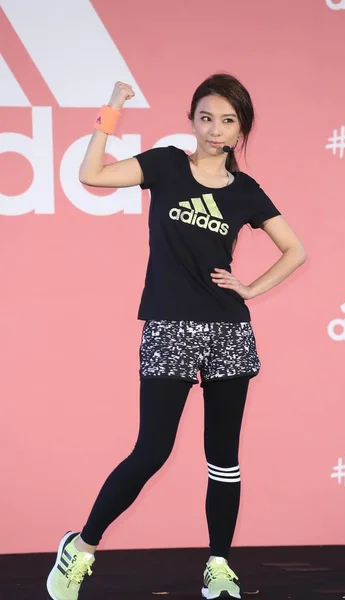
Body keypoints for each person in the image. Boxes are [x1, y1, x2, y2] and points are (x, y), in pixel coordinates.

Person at [46, 73, 306, 600]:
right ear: (191, 120)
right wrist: (111, 111)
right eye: (206, 117)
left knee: (224, 457)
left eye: (228, 121)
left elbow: (296, 250)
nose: (215, 129)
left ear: (241, 130)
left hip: (228, 332)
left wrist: (251, 289)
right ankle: (81, 548)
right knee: (152, 449)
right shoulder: (165, 165)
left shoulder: (247, 192)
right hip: (170, 327)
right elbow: (91, 173)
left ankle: (218, 566)